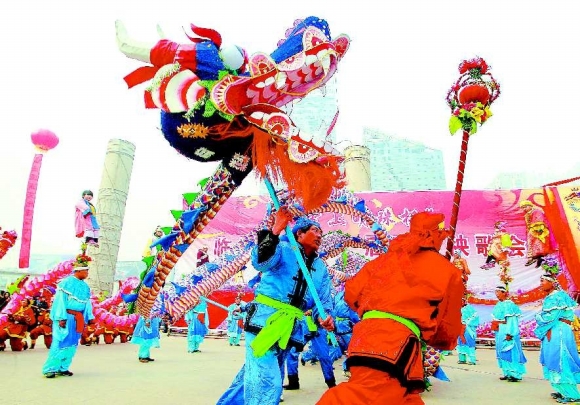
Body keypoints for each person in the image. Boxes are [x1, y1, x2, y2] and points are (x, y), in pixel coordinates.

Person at [317, 211, 464, 405]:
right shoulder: (447, 271)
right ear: (435, 236)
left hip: (364, 336)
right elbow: (447, 327)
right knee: (365, 396)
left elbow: (351, 293)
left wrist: (374, 309)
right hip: (395, 342)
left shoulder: (384, 261)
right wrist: (438, 338)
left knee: (404, 398)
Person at [217, 210, 334, 405]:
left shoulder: (320, 267)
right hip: (265, 322)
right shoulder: (283, 248)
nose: (320, 235)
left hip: (289, 329)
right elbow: (260, 262)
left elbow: (323, 300)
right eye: (315, 230)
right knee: (268, 382)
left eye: (321, 232)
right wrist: (275, 231)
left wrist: (324, 316)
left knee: (251, 377)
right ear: (299, 233)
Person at [42, 253, 94, 378]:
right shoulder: (66, 283)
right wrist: (61, 318)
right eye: (86, 271)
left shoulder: (85, 287)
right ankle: (50, 369)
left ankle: (63, 367)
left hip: (78, 318)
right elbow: (60, 301)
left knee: (73, 343)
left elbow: (87, 303)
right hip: (66, 317)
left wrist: (90, 317)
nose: (87, 273)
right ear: (78, 271)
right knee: (60, 342)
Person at [535, 273, 580, 403]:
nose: (541, 283)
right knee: (553, 357)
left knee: (561, 359)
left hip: (558, 330)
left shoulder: (557, 296)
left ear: (552, 283)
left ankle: (571, 394)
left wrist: (538, 317)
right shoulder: (552, 297)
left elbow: (551, 317)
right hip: (555, 328)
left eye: (543, 281)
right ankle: (561, 389)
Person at [491, 285, 527, 382]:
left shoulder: (509, 305)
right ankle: (507, 372)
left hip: (507, 329)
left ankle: (515, 374)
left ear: (504, 293)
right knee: (502, 351)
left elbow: (512, 320)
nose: (496, 294)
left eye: (498, 292)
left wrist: (510, 333)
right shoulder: (499, 304)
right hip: (500, 330)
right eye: (496, 292)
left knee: (511, 351)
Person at [519, 200, 555, 268]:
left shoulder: (537, 211)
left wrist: (538, 230)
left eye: (525, 207)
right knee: (531, 244)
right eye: (523, 208)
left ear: (530, 206)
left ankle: (540, 259)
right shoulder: (526, 215)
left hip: (539, 230)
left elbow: (539, 221)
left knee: (539, 244)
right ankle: (532, 258)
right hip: (531, 232)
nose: (524, 209)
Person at [456, 299, 480, 365]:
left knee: (469, 343)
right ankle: (462, 359)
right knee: (460, 343)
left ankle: (471, 360)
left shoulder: (470, 308)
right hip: (460, 328)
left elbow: (475, 317)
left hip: (468, 328)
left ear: (465, 301)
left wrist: (466, 322)